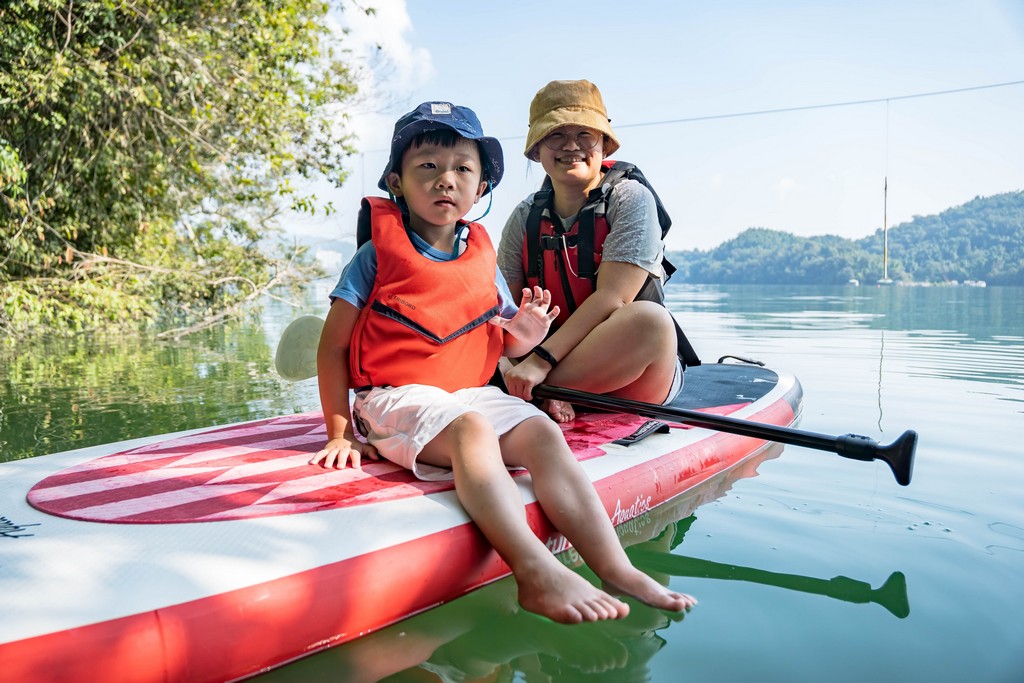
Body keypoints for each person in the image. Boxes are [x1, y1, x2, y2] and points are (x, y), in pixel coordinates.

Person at [312, 101, 696, 625]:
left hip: (468, 394)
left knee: (542, 434)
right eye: (428, 167)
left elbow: (503, 340)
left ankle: (614, 565)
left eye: (462, 170)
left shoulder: (481, 257)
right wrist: (338, 432)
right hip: (395, 397)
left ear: (480, 188)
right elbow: (333, 347)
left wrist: (526, 336)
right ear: (396, 182)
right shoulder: (375, 256)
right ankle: (535, 571)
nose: (446, 180)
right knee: (471, 429)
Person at [498, 80, 691, 423]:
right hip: (533, 371)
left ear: (603, 144)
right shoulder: (523, 217)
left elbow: (614, 298)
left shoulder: (630, 198)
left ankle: (540, 394)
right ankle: (537, 394)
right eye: (556, 135)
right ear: (536, 150)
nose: (571, 146)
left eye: (585, 134)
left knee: (652, 322)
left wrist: (539, 366)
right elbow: (505, 315)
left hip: (628, 376)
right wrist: (515, 364)